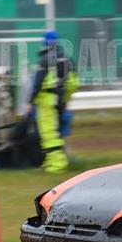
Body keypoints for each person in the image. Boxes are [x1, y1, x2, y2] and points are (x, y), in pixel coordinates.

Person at [28, 30, 80, 172]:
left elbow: (37, 83)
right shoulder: (68, 59)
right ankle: (51, 161)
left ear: (44, 43)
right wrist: (64, 101)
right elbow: (73, 83)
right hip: (60, 102)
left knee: (48, 134)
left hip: (46, 102)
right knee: (57, 132)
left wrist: (30, 101)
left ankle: (57, 164)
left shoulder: (44, 60)